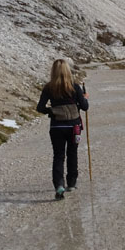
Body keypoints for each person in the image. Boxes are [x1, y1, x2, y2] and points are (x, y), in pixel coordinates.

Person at [36, 59, 89, 200]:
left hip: (56, 127)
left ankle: (59, 185)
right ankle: (71, 183)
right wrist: (84, 98)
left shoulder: (49, 88)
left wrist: (53, 111)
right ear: (67, 71)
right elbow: (85, 107)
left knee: (58, 156)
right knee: (72, 153)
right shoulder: (75, 87)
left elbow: (40, 108)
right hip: (74, 127)